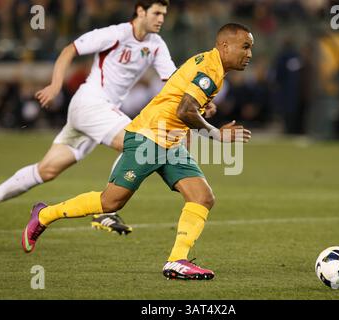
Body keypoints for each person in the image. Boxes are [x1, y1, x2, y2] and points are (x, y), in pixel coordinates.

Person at [21, 23, 254, 281]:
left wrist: (201, 109)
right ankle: (44, 214)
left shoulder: (211, 65)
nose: (249, 54)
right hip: (149, 137)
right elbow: (184, 111)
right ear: (225, 45)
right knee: (111, 202)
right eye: (245, 46)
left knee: (202, 197)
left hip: (170, 141)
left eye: (250, 48)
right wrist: (217, 134)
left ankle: (177, 261)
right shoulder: (210, 70)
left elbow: (181, 96)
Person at [0, 0, 176, 238]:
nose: (161, 19)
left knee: (46, 170)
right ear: (140, 11)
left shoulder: (156, 45)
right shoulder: (116, 34)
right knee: (137, 142)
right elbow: (69, 50)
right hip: (91, 103)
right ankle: (105, 209)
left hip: (98, 113)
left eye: (164, 14)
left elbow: (172, 81)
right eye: (157, 13)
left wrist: (199, 102)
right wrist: (56, 85)